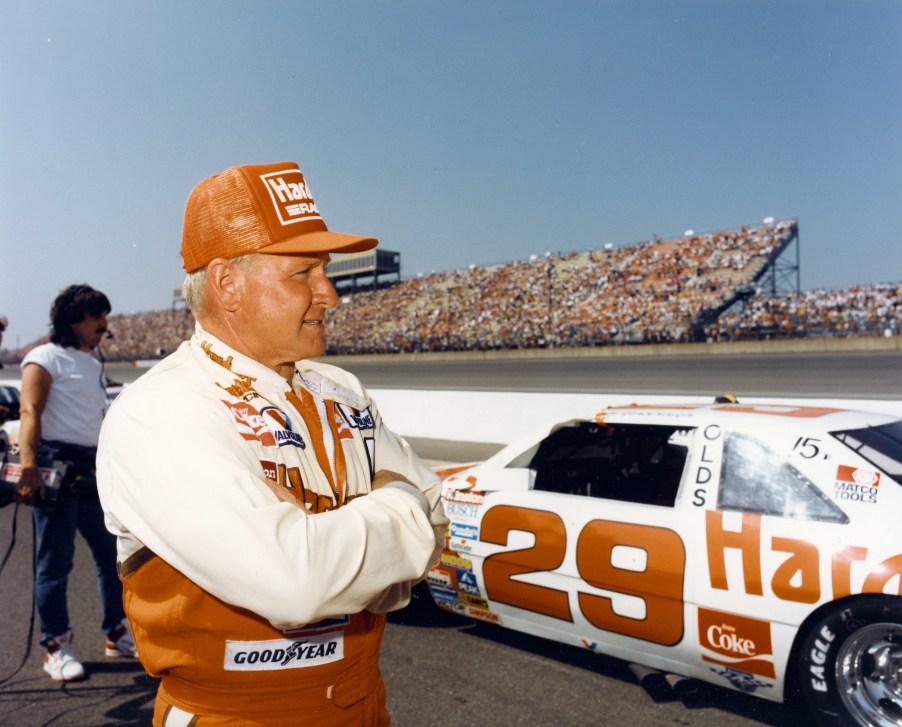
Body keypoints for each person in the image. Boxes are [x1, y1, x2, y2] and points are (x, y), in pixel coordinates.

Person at [96, 161, 448, 726]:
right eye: (302, 274)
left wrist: (342, 544)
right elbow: (296, 582)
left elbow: (439, 519)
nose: (330, 294)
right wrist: (398, 508)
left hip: (363, 703)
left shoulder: (342, 390)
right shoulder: (159, 410)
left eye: (325, 271)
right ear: (226, 283)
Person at [16, 285, 136, 682]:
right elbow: (30, 410)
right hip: (55, 463)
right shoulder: (44, 357)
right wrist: (29, 467)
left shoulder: (92, 364)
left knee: (110, 556)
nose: (105, 324)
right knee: (55, 562)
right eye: (96, 316)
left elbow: (96, 420)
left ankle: (117, 634)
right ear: (73, 320)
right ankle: (56, 646)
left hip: (90, 468)